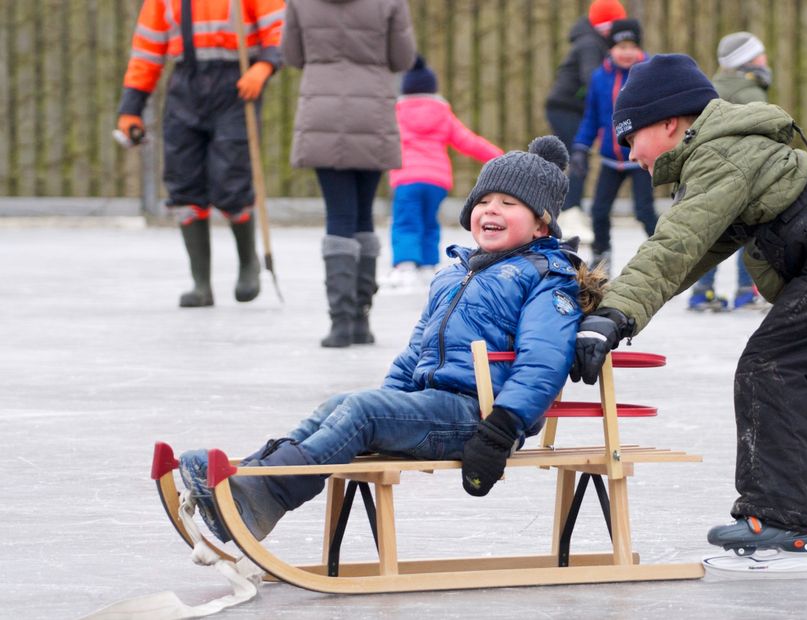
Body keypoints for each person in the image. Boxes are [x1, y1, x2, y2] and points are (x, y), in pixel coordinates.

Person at [570, 54, 807, 577]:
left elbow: (675, 241)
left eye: (629, 136)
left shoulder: (720, 156)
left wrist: (612, 316)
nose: (628, 151)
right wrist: (614, 309)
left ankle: (780, 522)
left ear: (668, 123)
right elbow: (684, 259)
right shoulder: (739, 153)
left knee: (773, 368)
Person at [176, 137, 604, 543]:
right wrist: (387, 405)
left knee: (362, 411)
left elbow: (543, 362)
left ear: (540, 225)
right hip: (435, 406)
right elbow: (416, 350)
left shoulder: (547, 278)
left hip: (479, 419)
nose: (491, 210)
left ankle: (266, 499)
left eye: (509, 204)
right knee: (340, 405)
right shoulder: (457, 272)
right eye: (484, 201)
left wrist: (501, 429)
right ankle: (245, 479)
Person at [116, 0, 286, 308]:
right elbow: (147, 50)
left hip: (236, 83)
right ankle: (201, 284)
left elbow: (280, 29)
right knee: (183, 181)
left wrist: (265, 65)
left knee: (231, 178)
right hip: (185, 85)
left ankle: (249, 265)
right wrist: (131, 108)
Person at [281, 0, 416, 348]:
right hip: (371, 111)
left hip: (322, 112)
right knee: (362, 215)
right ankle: (360, 320)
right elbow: (403, 58)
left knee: (338, 215)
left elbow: (292, 55)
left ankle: (340, 322)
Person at [385, 55, 504, 291]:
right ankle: (429, 265)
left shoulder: (396, 114)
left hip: (406, 178)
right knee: (429, 221)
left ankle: (406, 267)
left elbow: (380, 143)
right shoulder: (442, 114)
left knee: (406, 222)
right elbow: (468, 141)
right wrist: (500, 156)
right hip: (437, 181)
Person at [688, 32, 772, 312]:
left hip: (712, 170)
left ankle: (702, 290)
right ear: (747, 62)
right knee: (749, 230)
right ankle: (746, 292)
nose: (765, 60)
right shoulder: (749, 93)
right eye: (760, 55)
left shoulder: (713, 87)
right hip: (743, 171)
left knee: (714, 232)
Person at [570, 18, 657, 270]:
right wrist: (580, 147)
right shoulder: (599, 78)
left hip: (641, 158)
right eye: (621, 47)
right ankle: (602, 254)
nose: (627, 52)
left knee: (644, 211)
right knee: (598, 211)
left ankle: (664, 252)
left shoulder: (650, 74)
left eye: (632, 46)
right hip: (610, 158)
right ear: (610, 49)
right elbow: (591, 117)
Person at [545, 0, 628, 245]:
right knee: (577, 157)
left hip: (574, 108)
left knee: (575, 158)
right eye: (607, 26)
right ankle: (570, 214)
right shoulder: (590, 43)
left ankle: (569, 210)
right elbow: (593, 79)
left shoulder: (596, 40)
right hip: (565, 108)